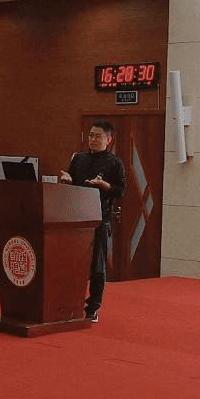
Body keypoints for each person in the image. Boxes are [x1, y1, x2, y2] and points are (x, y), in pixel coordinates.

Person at [59, 120, 126, 323]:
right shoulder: (79, 158)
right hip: (76, 218)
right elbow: (71, 179)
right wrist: (67, 179)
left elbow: (120, 191)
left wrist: (104, 185)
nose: (93, 139)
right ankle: (69, 303)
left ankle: (93, 308)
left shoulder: (115, 163)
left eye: (97, 136)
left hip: (99, 219)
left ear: (109, 139)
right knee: (73, 264)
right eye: (90, 135)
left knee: (98, 266)